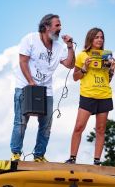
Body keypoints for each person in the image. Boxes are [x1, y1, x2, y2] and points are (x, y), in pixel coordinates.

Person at [10, 14, 75, 162]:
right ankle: (15, 154)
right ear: (46, 27)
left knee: (46, 124)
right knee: (21, 122)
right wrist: (31, 82)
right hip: (25, 86)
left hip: (46, 90)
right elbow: (23, 61)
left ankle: (39, 155)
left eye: (60, 25)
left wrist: (70, 47)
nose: (60, 28)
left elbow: (70, 65)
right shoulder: (30, 39)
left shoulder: (59, 46)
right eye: (57, 25)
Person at [65, 27, 115, 165]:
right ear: (90, 39)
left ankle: (97, 160)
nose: (99, 39)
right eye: (97, 37)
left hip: (104, 95)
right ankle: (72, 158)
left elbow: (108, 79)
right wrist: (84, 68)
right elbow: (75, 77)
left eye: (101, 37)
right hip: (87, 95)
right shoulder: (83, 55)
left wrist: (112, 70)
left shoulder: (108, 56)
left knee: (100, 130)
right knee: (79, 127)